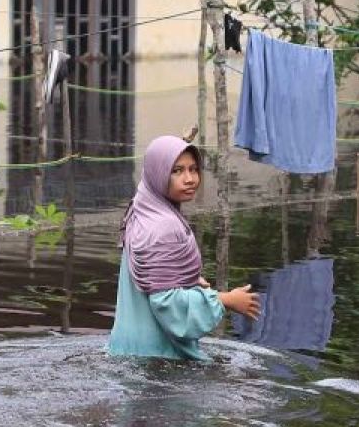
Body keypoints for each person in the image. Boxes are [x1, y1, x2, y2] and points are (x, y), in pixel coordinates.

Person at [108, 136, 261, 361]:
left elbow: (150, 273)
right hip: (157, 358)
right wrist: (226, 299)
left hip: (125, 349)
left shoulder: (141, 210)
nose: (189, 179)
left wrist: (185, 278)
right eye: (177, 171)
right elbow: (166, 302)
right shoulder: (164, 226)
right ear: (158, 173)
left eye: (193, 169)